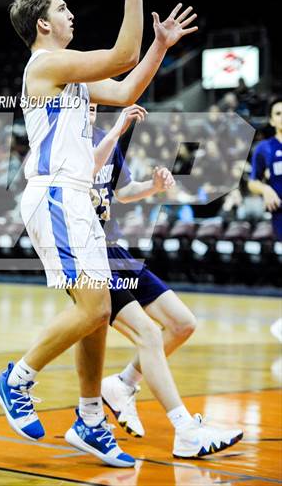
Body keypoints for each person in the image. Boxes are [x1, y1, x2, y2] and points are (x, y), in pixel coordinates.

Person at [0, 0, 155, 468]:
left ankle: (88, 419)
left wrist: (163, 45)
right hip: (57, 194)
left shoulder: (71, 76)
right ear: (43, 24)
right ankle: (15, 380)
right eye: (62, 9)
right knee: (92, 309)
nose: (71, 14)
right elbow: (121, 56)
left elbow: (127, 83)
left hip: (76, 197)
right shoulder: (47, 64)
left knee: (98, 313)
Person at [89, 103, 243, 458]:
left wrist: (154, 187)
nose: (91, 109)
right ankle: (185, 430)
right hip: (89, 256)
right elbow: (84, 172)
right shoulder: (64, 143)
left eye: (94, 104)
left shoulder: (103, 138)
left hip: (116, 250)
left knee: (182, 324)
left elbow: (123, 192)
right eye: (85, 103)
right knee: (149, 335)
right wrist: (118, 133)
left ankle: (123, 384)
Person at [248, 98, 282, 346]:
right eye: (278, 113)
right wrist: (266, 189)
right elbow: (252, 181)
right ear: (272, 119)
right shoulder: (265, 149)